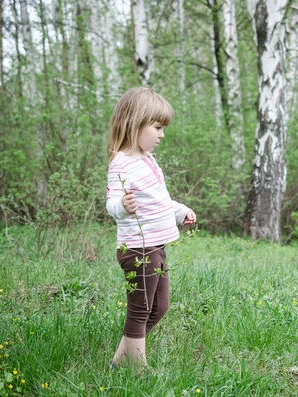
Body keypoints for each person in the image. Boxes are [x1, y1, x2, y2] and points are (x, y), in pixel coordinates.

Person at [105, 87, 196, 372]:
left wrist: (180, 212)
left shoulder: (148, 160)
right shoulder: (121, 163)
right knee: (141, 308)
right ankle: (138, 368)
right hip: (137, 248)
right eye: (157, 127)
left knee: (159, 307)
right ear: (135, 123)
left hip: (156, 245)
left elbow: (158, 198)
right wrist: (122, 204)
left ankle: (120, 360)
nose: (162, 134)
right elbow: (111, 203)